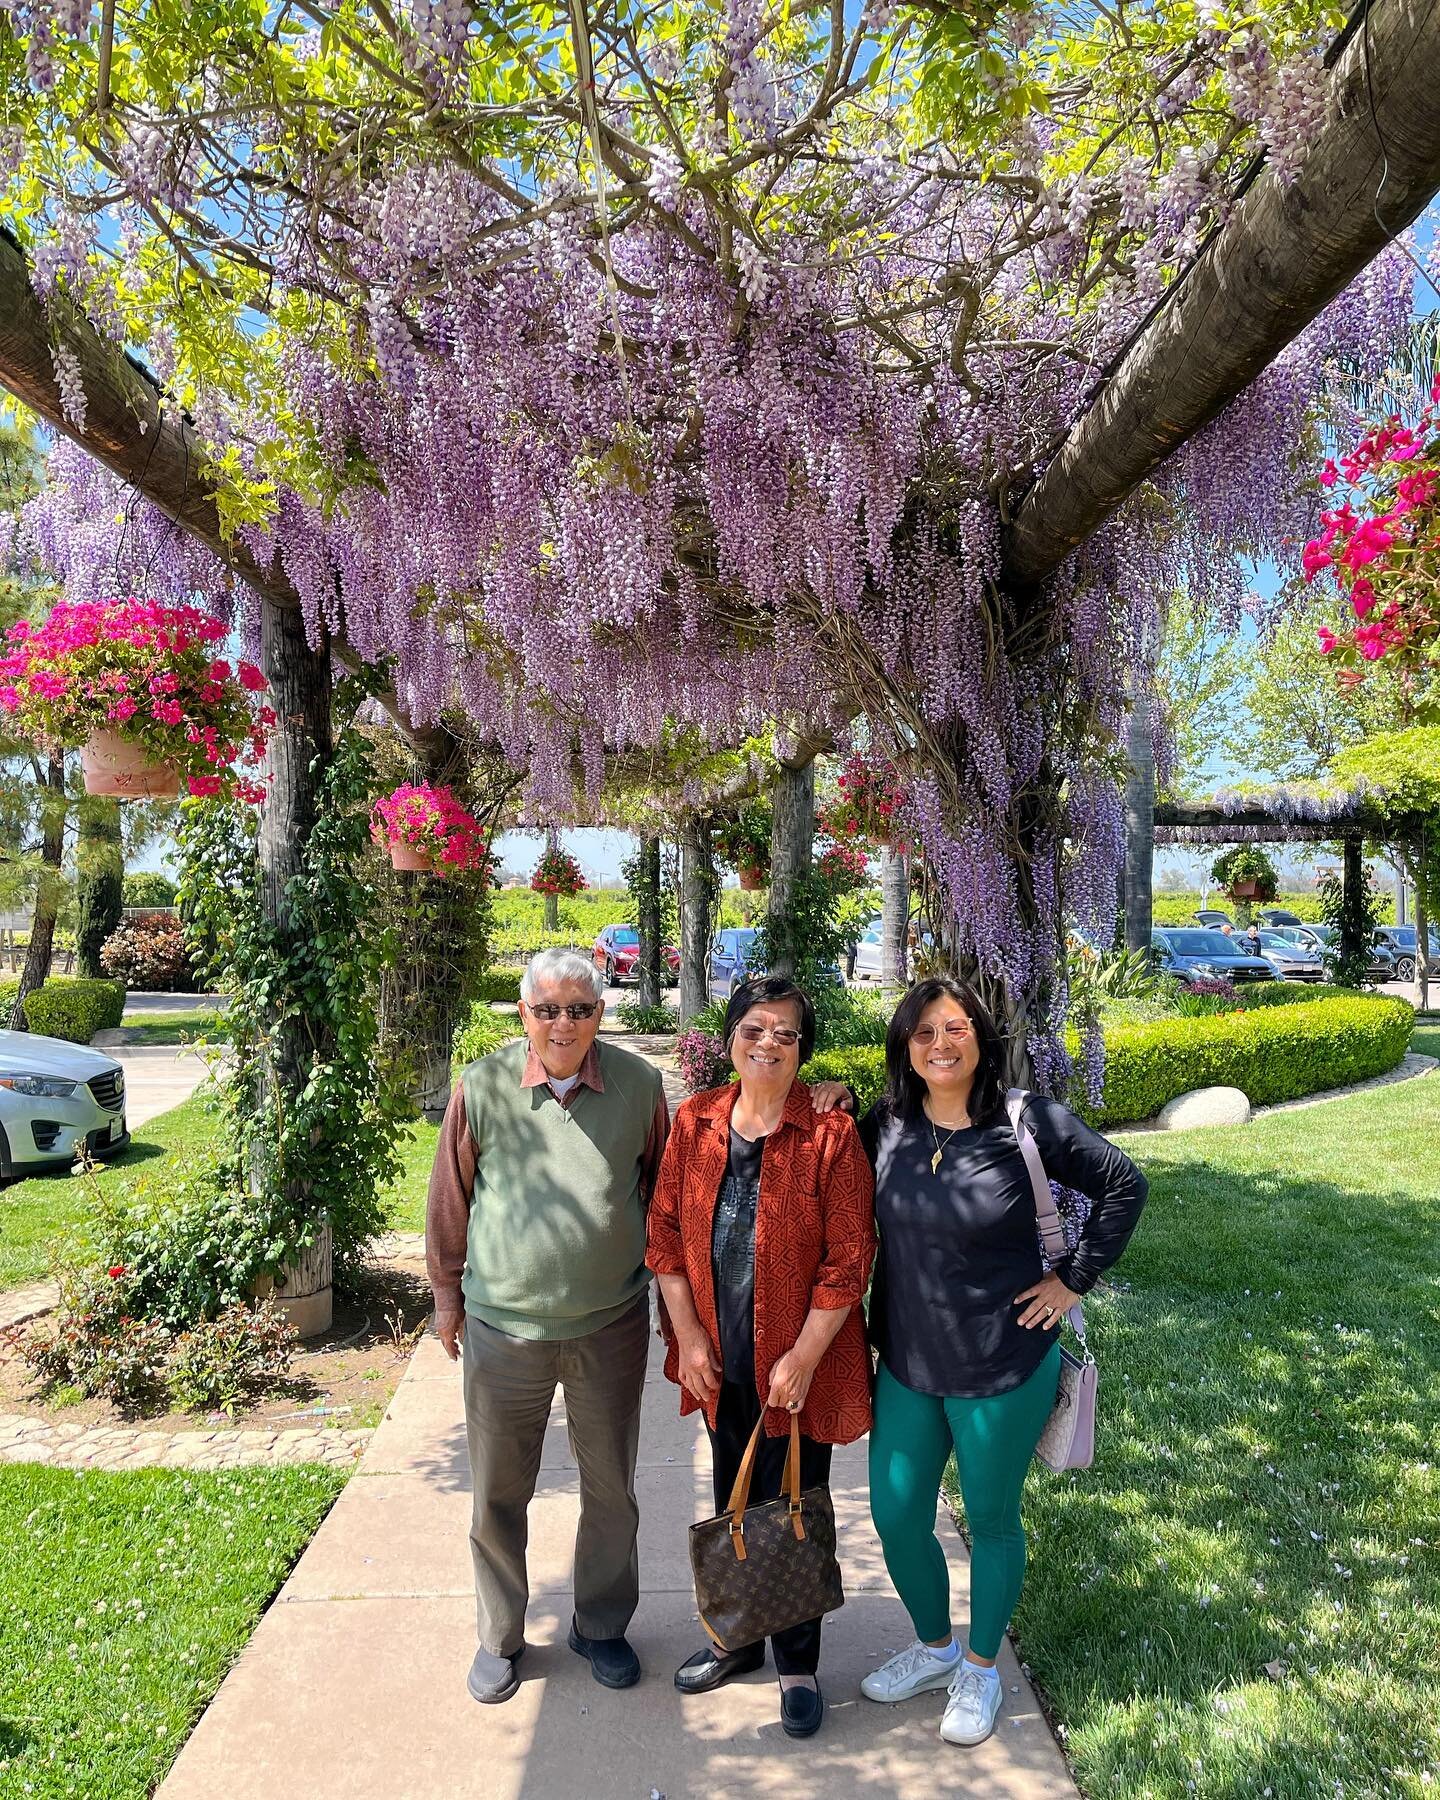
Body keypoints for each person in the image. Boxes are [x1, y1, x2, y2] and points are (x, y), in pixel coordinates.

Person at [857, 977, 1147, 1749]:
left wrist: (1072, 1280)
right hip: (909, 1359)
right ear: (904, 1047)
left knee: (988, 1519)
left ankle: (981, 1668)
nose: (940, 1045)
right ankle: (934, 1647)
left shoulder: (1030, 1122)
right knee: (895, 1514)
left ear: (981, 1038)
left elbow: (1124, 1182)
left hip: (1004, 1359)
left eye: (955, 1029)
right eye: (923, 1033)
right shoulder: (883, 1124)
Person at [426, 948, 668, 1705]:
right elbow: (449, 1200)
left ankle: (600, 1626)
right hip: (505, 1332)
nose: (564, 1024)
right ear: (524, 1013)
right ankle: (499, 1636)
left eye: (581, 1008)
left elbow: (662, 1197)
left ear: (601, 1012)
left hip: (610, 1325)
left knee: (611, 1491)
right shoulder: (484, 1086)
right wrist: (446, 1296)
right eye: (548, 1009)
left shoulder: (639, 1085)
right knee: (499, 1491)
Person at [647, 976, 875, 1740]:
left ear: (802, 1047)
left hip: (797, 1369)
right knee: (730, 1498)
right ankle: (737, 1637)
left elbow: (850, 1258)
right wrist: (691, 1342)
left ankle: (799, 1663)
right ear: (731, 1038)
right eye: (754, 1028)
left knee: (796, 1505)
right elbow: (667, 1239)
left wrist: (807, 1355)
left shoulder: (830, 1134)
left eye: (784, 1031)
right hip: (721, 1358)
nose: (767, 1042)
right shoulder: (697, 1121)